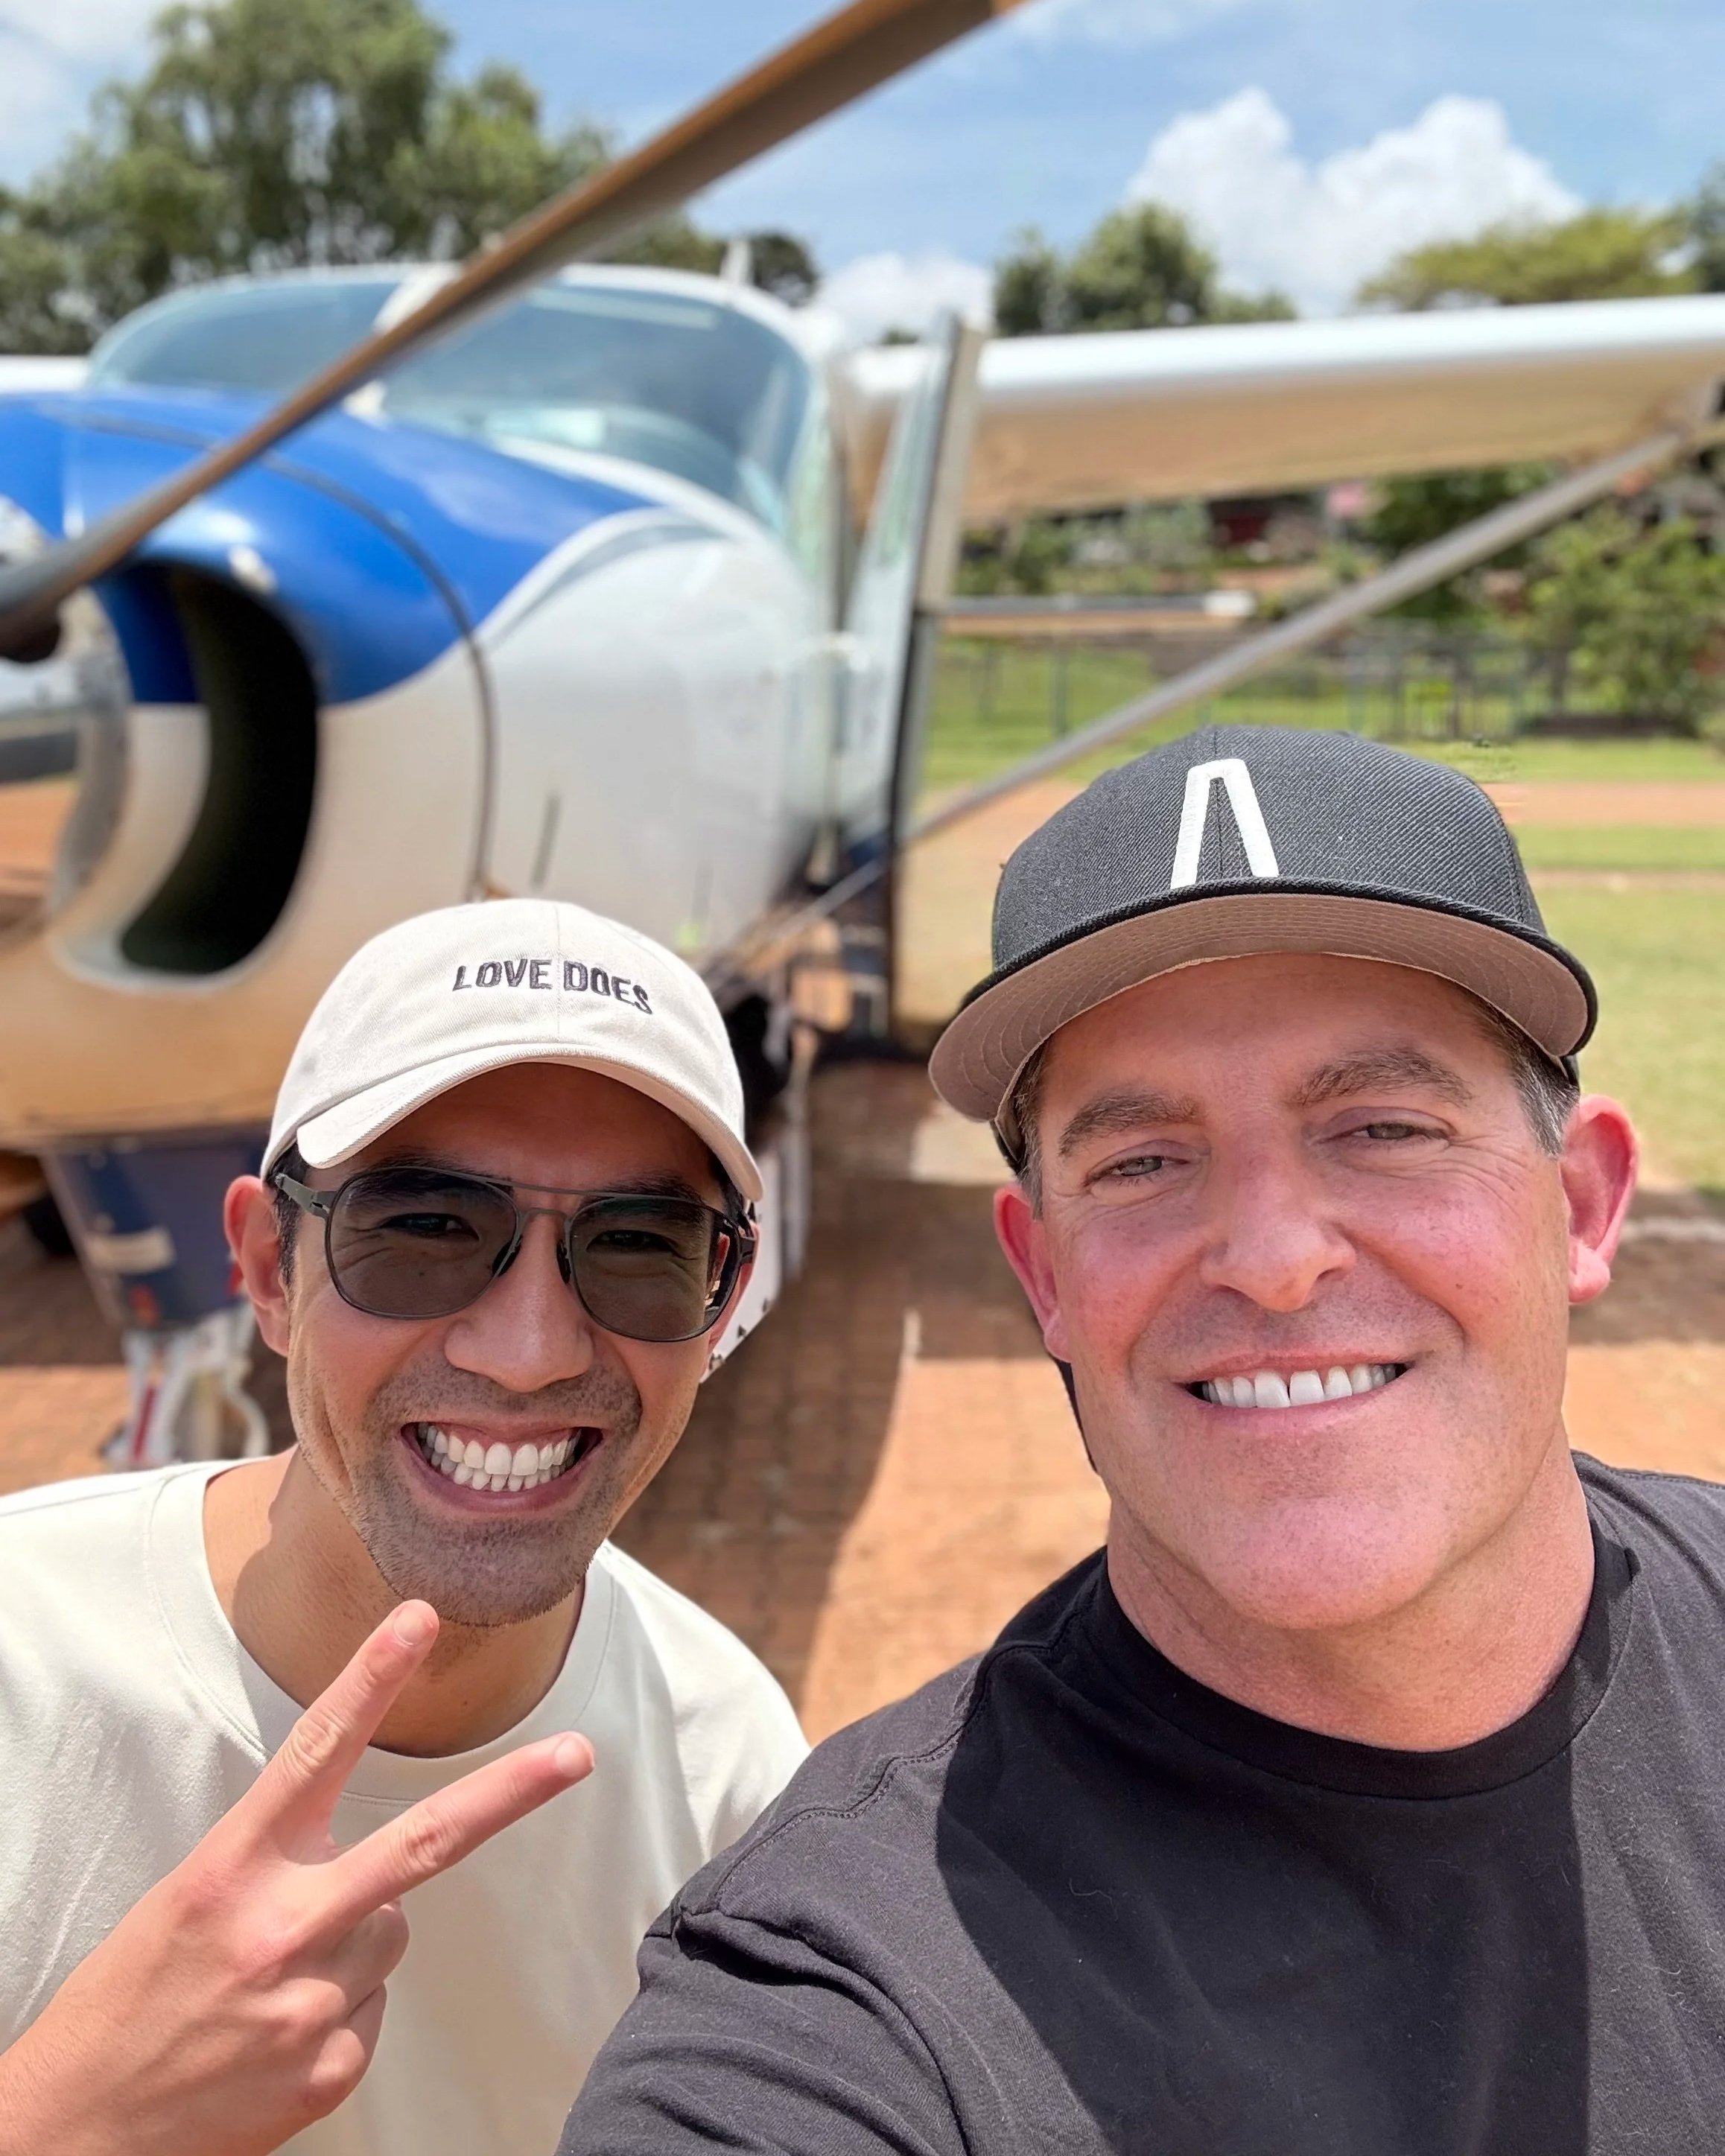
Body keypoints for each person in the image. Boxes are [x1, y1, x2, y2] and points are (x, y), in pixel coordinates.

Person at [561, 723, 1725, 2156]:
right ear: (1043, 1275)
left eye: (1383, 1127)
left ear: (1587, 1203)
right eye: (1143, 1162)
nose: (1275, 1257)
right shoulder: (849, 1993)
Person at [0, 897, 806, 2156]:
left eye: (639, 1246)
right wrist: (63, 2117)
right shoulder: (18, 1662)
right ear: (270, 1270)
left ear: (721, 1304)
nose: (531, 1353)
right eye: (425, 1230)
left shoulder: (731, 1778)